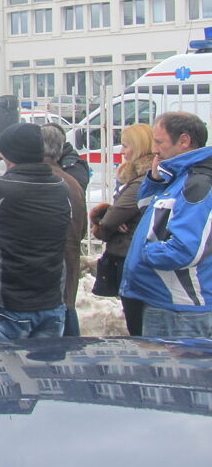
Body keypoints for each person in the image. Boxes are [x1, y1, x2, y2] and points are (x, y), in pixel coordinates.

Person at [0, 123, 71, 341]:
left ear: (8, 155)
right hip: (51, 299)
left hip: (8, 300)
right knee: (44, 372)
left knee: (5, 371)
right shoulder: (61, 187)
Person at [121, 112, 212, 337]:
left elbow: (185, 249)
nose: (154, 149)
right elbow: (147, 212)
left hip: (179, 310)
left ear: (184, 141)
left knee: (179, 372)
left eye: (159, 142)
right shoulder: (179, 176)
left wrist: (145, 252)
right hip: (163, 301)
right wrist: (154, 181)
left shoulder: (197, 183)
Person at [89, 123, 154, 336]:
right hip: (131, 251)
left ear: (138, 147)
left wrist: (106, 223)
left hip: (128, 254)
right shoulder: (143, 178)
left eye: (126, 146)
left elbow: (109, 221)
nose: (122, 151)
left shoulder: (138, 182)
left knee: (137, 321)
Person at [41, 124, 88, 337]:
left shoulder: (41, 180)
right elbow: (84, 228)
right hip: (68, 262)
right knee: (67, 315)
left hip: (48, 271)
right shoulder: (73, 182)